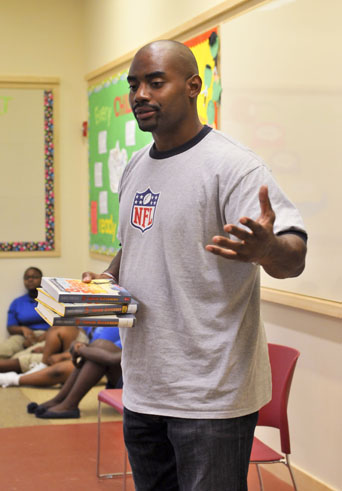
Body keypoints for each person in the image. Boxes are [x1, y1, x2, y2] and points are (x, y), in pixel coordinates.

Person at [82, 40, 307, 491]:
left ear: (193, 87)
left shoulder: (234, 166)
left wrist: (265, 250)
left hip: (210, 395)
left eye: (155, 82)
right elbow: (136, 246)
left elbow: (293, 258)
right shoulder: (135, 167)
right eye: (133, 84)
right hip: (143, 386)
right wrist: (103, 283)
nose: (140, 94)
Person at [28, 326, 122, 419]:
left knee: (98, 356)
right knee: (99, 346)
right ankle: (60, 399)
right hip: (124, 377)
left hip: (133, 387)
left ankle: (69, 405)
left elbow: (113, 359)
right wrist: (79, 346)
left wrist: (81, 350)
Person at [0, 267, 49, 359]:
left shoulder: (52, 300)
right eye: (27, 278)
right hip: (22, 336)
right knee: (3, 350)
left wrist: (45, 336)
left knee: (23, 357)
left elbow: (62, 323)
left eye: (34, 277)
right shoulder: (17, 302)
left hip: (47, 336)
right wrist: (23, 329)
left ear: (42, 280)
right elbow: (10, 327)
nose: (30, 280)